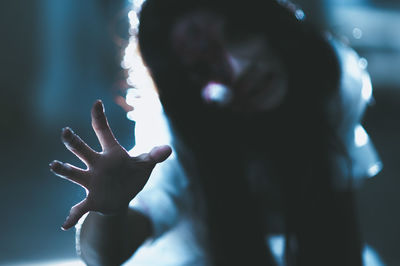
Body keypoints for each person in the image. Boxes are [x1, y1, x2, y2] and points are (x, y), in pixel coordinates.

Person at [50, 0, 382, 265]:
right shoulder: (173, 141)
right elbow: (106, 254)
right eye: (203, 66)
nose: (238, 69)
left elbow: (337, 221)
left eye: (238, 33)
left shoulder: (328, 78)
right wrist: (111, 209)